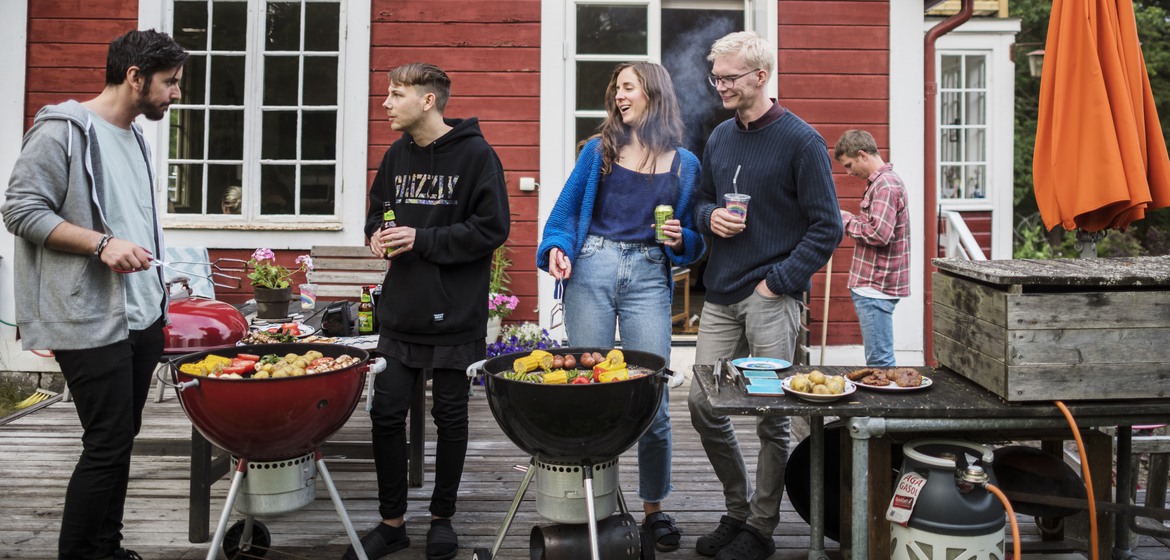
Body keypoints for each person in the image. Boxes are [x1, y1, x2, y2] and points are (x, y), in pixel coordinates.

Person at [2, 29, 186, 560]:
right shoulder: (61, 131)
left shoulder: (133, 137)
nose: (176, 93)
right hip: (89, 317)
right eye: (169, 82)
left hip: (140, 316)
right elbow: (21, 211)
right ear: (135, 77)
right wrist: (100, 244)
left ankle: (108, 547)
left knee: (119, 441)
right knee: (106, 443)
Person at [536, 61, 706, 553]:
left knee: (652, 396)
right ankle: (594, 506)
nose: (618, 96)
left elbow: (694, 241)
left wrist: (682, 238)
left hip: (650, 279)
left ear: (653, 93)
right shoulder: (599, 151)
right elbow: (564, 216)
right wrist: (558, 249)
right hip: (591, 268)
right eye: (616, 89)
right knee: (588, 391)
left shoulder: (686, 164)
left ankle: (654, 508)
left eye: (627, 87)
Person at [687, 31, 842, 560]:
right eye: (717, 78)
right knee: (703, 403)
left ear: (761, 76)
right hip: (721, 293)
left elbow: (827, 229)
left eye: (730, 78)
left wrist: (779, 281)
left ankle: (761, 526)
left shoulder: (803, 141)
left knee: (774, 415)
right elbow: (701, 201)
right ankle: (736, 509)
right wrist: (710, 218)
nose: (721, 87)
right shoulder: (719, 137)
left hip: (772, 296)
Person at [350, 62, 510, 560]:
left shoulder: (477, 155)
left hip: (454, 313)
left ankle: (443, 519)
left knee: (451, 417)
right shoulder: (396, 155)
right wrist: (375, 234)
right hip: (401, 312)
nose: (386, 103)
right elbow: (377, 212)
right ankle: (392, 521)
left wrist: (423, 239)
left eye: (396, 94)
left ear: (427, 101)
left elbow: (492, 229)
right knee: (385, 412)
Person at [833, 129, 910, 367]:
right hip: (873, 286)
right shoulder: (883, 183)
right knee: (879, 360)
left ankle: (887, 404)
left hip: (875, 287)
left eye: (849, 164)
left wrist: (845, 219)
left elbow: (879, 234)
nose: (848, 172)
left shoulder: (886, 185)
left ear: (862, 155)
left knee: (880, 362)